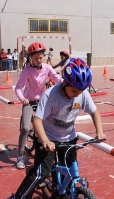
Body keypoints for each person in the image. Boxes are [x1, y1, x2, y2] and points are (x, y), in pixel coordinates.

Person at [11, 58, 106, 198]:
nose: (77, 94)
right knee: (40, 173)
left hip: (69, 137)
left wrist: (100, 131)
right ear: (65, 83)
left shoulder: (82, 93)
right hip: (47, 138)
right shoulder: (51, 96)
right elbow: (37, 120)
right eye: (74, 90)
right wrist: (44, 140)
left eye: (80, 91)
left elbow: (94, 112)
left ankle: (62, 191)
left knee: (69, 171)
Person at [14, 42, 63, 169]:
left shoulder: (47, 68)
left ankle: (48, 153)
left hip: (43, 101)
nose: (39, 60)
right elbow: (18, 88)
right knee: (25, 128)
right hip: (29, 101)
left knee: (49, 126)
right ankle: (19, 156)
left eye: (41, 57)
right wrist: (22, 99)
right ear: (31, 58)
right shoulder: (27, 71)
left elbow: (57, 78)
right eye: (36, 58)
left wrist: (67, 84)